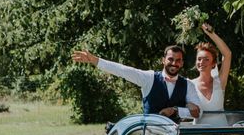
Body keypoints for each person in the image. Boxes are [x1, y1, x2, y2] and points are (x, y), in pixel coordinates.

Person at [71, 46, 200, 122]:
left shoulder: (188, 85)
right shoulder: (149, 78)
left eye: (178, 60)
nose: (174, 63)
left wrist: (175, 110)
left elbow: (197, 112)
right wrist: (95, 60)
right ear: (163, 60)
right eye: (170, 59)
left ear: (182, 63)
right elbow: (123, 70)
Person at [191, 23, 232, 113]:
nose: (202, 62)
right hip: (199, 127)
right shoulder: (190, 84)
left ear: (213, 63)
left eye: (206, 59)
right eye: (199, 59)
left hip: (221, 126)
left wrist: (211, 33)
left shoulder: (220, 81)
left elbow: (227, 54)